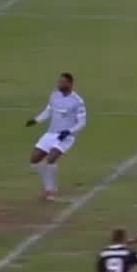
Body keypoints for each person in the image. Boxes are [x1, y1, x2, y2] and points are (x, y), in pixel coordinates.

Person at [25, 72, 86, 201]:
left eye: (63, 82)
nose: (60, 84)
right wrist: (36, 120)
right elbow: (48, 111)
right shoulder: (54, 95)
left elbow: (82, 123)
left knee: (51, 158)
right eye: (59, 82)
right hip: (50, 133)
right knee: (34, 159)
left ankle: (50, 190)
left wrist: (69, 131)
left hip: (65, 136)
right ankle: (49, 187)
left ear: (70, 84)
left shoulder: (78, 101)